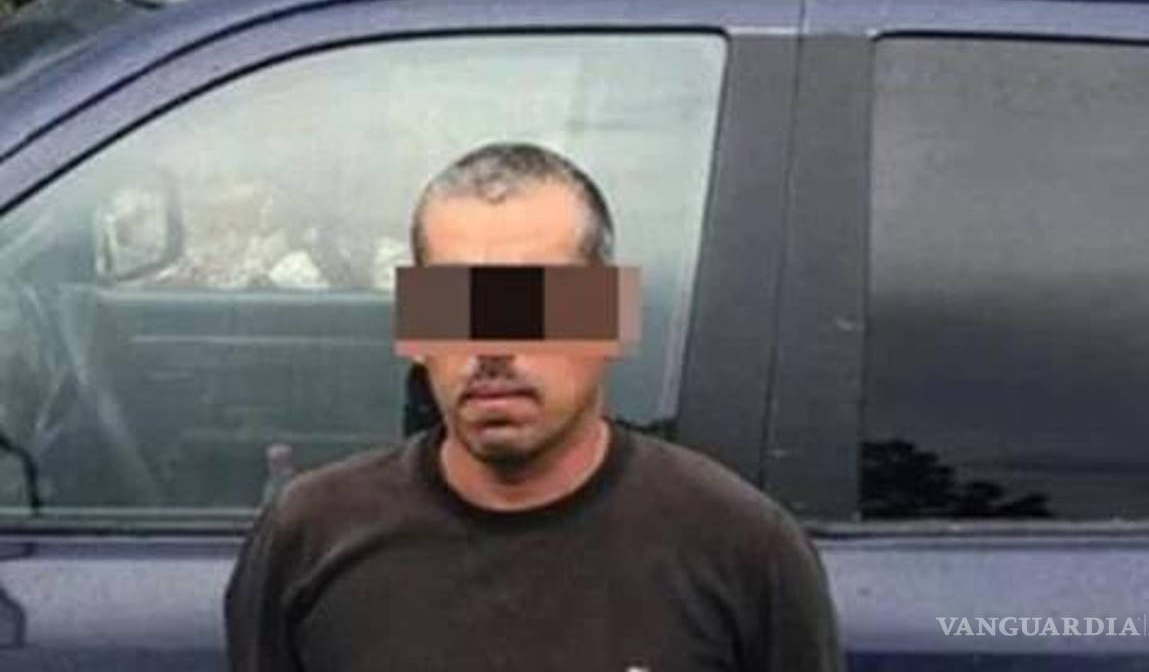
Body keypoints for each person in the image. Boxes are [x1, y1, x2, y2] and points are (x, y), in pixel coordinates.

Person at [224, 142, 845, 672]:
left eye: (535, 302)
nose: (493, 343)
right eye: (458, 303)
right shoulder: (308, 541)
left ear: (607, 317)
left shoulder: (742, 551)